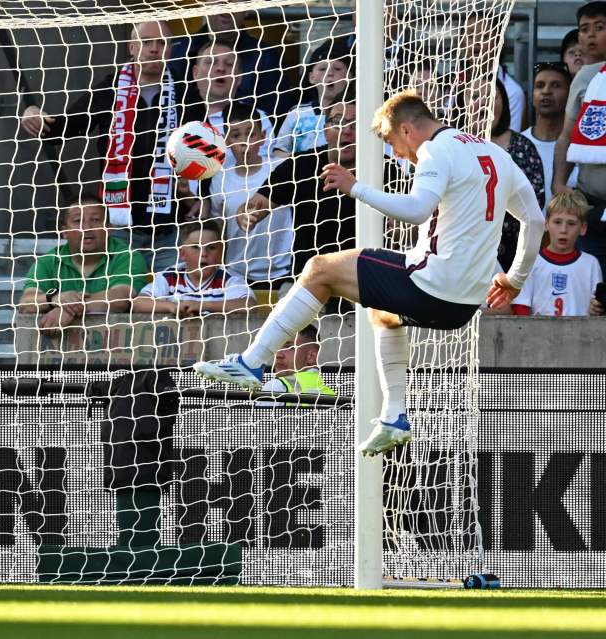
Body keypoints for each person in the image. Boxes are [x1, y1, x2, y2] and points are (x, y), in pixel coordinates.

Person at [193, 91, 545, 458]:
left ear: (407, 129)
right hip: (464, 303)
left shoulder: (435, 150)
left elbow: (417, 210)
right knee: (383, 312)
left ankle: (253, 362)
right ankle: (394, 416)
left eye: (393, 142)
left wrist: (354, 187)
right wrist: (514, 279)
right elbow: (534, 220)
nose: (396, 154)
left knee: (319, 269)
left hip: (429, 283)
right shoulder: (495, 154)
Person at [20, 21, 186, 270]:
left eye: (162, 42)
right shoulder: (109, 90)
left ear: (170, 49)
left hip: (171, 229)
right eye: (146, 41)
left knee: (170, 301)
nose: (154, 48)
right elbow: (62, 128)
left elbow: (205, 147)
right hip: (121, 228)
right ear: (132, 47)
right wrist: (32, 113)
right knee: (120, 300)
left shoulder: (185, 92)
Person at [242, 92, 357, 280]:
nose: (346, 130)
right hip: (309, 279)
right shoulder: (301, 165)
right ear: (326, 129)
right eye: (338, 122)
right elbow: (256, 203)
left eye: (355, 123)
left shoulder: (385, 169)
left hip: (362, 278)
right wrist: (247, 214)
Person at [17, 197, 147, 335]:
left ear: (108, 228)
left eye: (95, 220)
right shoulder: (48, 262)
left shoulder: (128, 257)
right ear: (64, 231)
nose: (87, 228)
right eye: (78, 221)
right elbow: (26, 303)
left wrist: (68, 309)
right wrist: (54, 299)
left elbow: (120, 298)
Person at [200, 102, 293, 293]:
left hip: (284, 272)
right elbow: (220, 226)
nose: (244, 142)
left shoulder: (280, 168)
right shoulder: (220, 177)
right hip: (237, 274)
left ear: (262, 137)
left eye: (251, 134)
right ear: (226, 140)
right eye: (236, 135)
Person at [553, 2, 606, 276]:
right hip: (590, 204)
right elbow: (566, 136)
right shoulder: (585, 77)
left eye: (600, 28)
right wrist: (559, 182)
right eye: (585, 29)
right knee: (588, 292)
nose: (591, 36)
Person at [474, 80, 545, 270]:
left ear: (504, 102)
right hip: (466, 249)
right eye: (474, 97)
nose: (484, 102)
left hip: (514, 252)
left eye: (493, 96)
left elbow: (535, 203)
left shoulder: (524, 147)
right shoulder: (454, 145)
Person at [168, 11, 291, 117]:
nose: (226, 2)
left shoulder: (267, 57)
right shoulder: (175, 52)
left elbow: (274, 122)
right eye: (211, 62)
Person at [132, 220, 254, 317]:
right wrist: (173, 307)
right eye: (196, 247)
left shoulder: (229, 279)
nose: (204, 253)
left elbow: (250, 305)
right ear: (183, 253)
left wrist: (203, 305)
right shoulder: (170, 276)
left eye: (211, 247)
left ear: (221, 253)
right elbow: (138, 303)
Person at [511, 191, 604, 316]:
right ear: (546, 224)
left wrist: (597, 309)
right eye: (557, 222)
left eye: (571, 223)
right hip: (538, 335)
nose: (563, 230)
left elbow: (597, 308)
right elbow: (520, 307)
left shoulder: (591, 263)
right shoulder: (530, 261)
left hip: (581, 334)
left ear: (583, 228)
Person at [273, 41, 351, 156]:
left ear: (350, 76)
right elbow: (279, 151)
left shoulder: (356, 113)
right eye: (322, 69)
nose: (329, 73)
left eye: (337, 69)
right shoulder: (297, 113)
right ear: (311, 77)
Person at [522, 63, 577, 208]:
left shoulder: (581, 148)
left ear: (570, 94)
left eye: (556, 85)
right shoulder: (517, 145)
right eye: (539, 85)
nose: (546, 91)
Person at [261, 324, 335, 396]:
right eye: (277, 347)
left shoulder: (276, 387)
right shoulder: (331, 395)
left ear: (311, 356)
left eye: (290, 348)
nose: (278, 355)